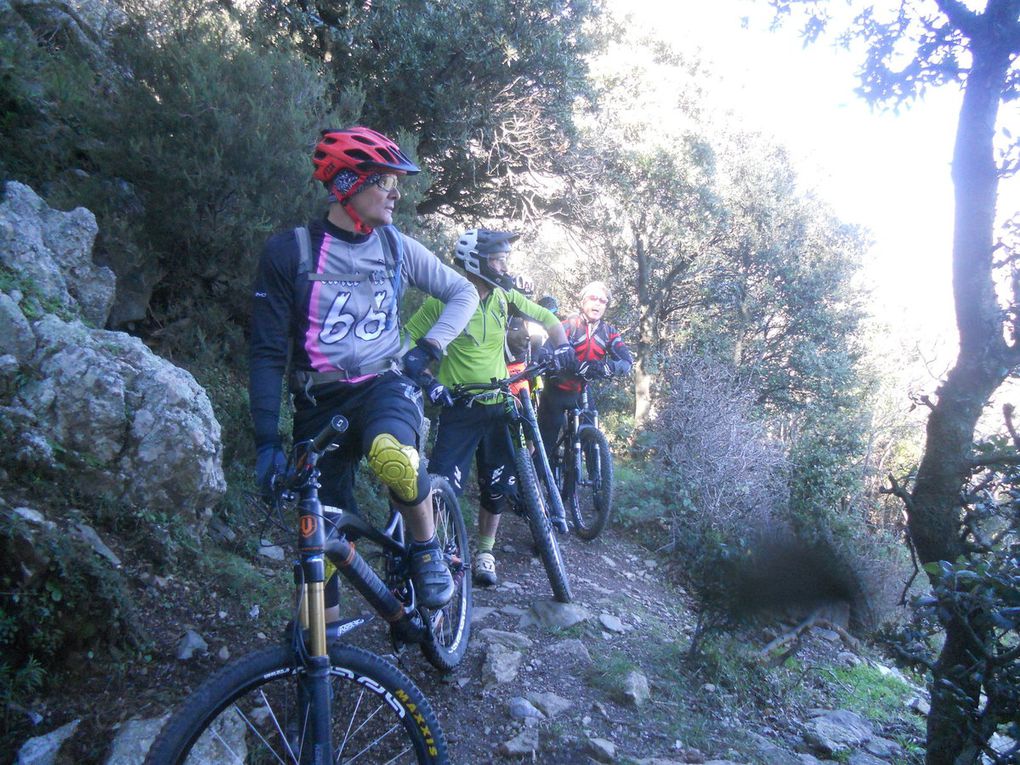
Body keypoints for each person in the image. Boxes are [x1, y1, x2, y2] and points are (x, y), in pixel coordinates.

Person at [249, 127, 479, 611]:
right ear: (348, 184)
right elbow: (268, 354)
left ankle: (427, 549)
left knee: (391, 454)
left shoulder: (396, 247)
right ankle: (320, 651)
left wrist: (428, 348)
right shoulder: (290, 253)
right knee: (320, 548)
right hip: (320, 403)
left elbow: (464, 293)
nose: (396, 192)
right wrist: (267, 440)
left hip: (386, 385)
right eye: (384, 181)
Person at [403, 230, 573, 587]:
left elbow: (550, 319)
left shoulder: (502, 297)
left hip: (499, 404)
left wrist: (563, 348)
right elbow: (405, 341)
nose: (504, 266)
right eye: (497, 259)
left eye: (505, 258)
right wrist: (425, 378)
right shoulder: (441, 302)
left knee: (497, 485)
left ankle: (485, 552)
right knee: (442, 486)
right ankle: (440, 553)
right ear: (475, 262)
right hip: (459, 407)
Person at [537, 280, 633, 465]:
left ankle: (598, 483)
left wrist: (608, 367)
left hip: (582, 391)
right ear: (582, 301)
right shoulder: (567, 327)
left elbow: (626, 361)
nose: (597, 303)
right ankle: (535, 489)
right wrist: (559, 362)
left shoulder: (609, 333)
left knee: (591, 437)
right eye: (593, 298)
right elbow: (544, 352)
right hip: (556, 390)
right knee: (546, 444)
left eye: (603, 301)